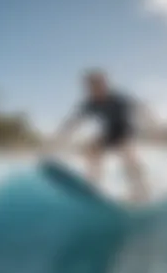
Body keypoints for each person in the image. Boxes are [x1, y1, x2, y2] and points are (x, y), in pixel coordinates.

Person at [47, 69, 159, 203]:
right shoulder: (90, 103)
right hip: (109, 132)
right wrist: (59, 137)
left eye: (98, 86)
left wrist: (154, 127)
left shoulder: (117, 98)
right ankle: (93, 187)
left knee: (127, 155)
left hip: (124, 130)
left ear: (104, 85)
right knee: (91, 150)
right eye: (91, 88)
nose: (95, 91)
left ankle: (141, 189)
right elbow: (73, 121)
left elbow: (141, 108)